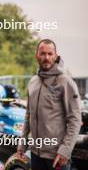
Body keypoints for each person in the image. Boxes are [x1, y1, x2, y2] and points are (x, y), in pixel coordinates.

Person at [17, 39, 81, 170]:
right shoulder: (33, 82)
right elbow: (28, 115)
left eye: (50, 54)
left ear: (56, 56)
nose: (46, 58)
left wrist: (65, 151)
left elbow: (75, 120)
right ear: (37, 55)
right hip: (35, 154)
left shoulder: (65, 82)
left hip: (56, 156)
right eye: (43, 53)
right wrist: (22, 143)